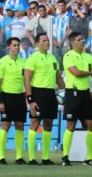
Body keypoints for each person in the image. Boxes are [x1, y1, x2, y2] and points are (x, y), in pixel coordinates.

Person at [24, 32, 63, 165]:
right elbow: (27, 79)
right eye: (44, 40)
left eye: (48, 40)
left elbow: (58, 77)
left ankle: (45, 157)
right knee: (35, 123)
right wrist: (30, 99)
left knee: (49, 124)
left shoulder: (52, 58)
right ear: (37, 44)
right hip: (37, 93)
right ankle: (31, 158)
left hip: (50, 93)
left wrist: (65, 91)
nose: (47, 42)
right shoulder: (33, 58)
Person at [61, 31, 92, 167]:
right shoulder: (68, 56)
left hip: (86, 94)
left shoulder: (88, 57)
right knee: (71, 125)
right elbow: (75, 72)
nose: (82, 41)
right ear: (72, 42)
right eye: (79, 39)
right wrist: (90, 72)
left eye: (83, 39)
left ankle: (89, 157)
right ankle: (65, 156)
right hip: (73, 93)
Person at [0, 37, 28, 165]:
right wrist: (0, 100)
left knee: (20, 125)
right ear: (8, 47)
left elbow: (27, 80)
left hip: (19, 96)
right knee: (5, 126)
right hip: (6, 97)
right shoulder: (2, 62)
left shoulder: (24, 62)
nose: (17, 47)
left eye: (18, 45)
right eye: (14, 45)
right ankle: (1, 157)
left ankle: (19, 157)